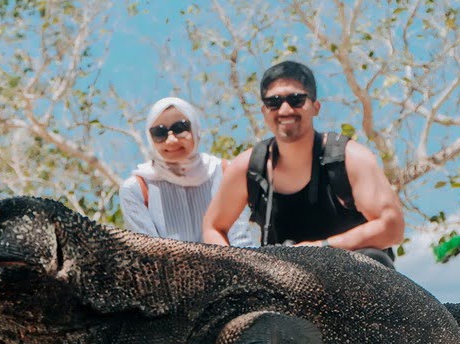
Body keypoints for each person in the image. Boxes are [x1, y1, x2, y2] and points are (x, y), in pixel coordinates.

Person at [203, 61, 404, 267]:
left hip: (355, 278)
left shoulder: (350, 158)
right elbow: (213, 227)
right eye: (274, 102)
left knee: (374, 259)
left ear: (315, 107)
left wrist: (321, 248)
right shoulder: (248, 167)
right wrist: (235, 268)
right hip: (284, 281)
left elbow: (392, 226)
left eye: (296, 99)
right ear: (264, 111)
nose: (285, 109)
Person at [120, 96, 255, 246]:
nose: (171, 140)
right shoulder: (136, 188)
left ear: (196, 128)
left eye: (180, 128)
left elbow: (240, 241)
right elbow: (148, 254)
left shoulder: (224, 173)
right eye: (159, 132)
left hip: (232, 266)